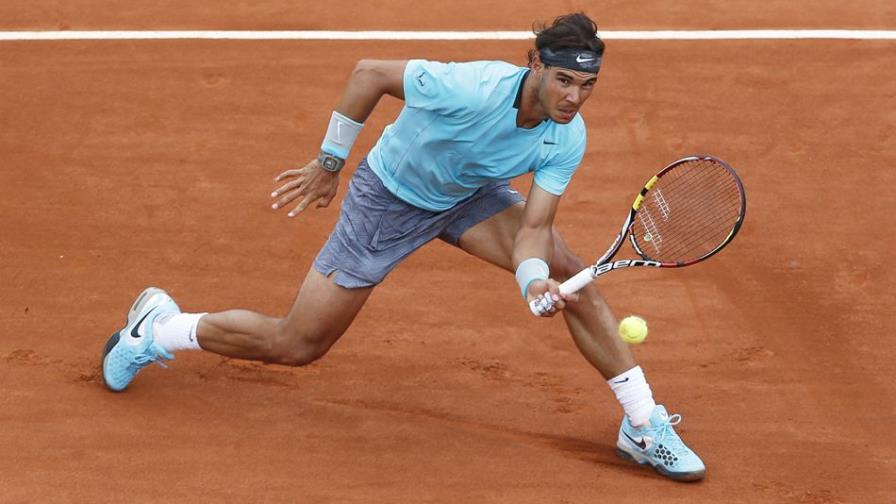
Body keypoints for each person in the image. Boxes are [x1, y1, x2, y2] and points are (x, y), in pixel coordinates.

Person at [101, 13, 705, 482]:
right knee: (297, 343)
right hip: (389, 199)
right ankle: (158, 330)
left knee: (571, 274)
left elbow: (533, 230)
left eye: (587, 85)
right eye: (564, 80)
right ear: (536, 66)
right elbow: (370, 74)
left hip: (468, 196)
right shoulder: (470, 86)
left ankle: (644, 423)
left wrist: (533, 282)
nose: (573, 97)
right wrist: (330, 160)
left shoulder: (565, 137)